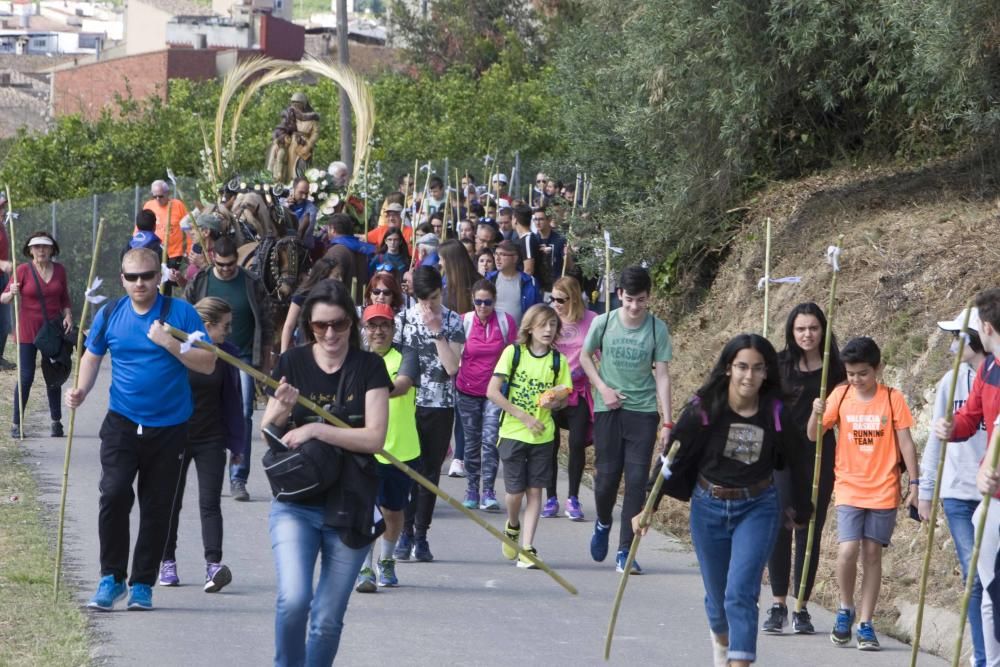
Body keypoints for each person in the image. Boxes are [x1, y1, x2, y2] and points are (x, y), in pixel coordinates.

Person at [638, 333, 812, 667]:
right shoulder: (704, 408)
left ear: (766, 373)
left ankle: (740, 661)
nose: (749, 376)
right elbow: (671, 456)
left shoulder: (775, 412)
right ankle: (722, 645)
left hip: (758, 507)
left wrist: (801, 506)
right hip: (709, 506)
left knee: (740, 594)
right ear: (729, 368)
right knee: (718, 602)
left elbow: (799, 459)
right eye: (742, 367)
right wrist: (649, 504)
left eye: (757, 369)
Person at [68, 248, 215, 611]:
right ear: (122, 279)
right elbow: (92, 354)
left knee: (157, 506)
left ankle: (143, 583)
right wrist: (82, 390)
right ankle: (111, 577)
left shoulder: (180, 312)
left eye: (147, 276)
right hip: (122, 421)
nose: (140, 283)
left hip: (170, 426)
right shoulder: (111, 313)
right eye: (132, 277)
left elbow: (209, 362)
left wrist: (170, 343)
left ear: (159, 277)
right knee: (114, 493)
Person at [262, 279, 389, 665]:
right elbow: (269, 433)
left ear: (352, 324)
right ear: (309, 328)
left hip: (351, 505)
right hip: (297, 502)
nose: (330, 333)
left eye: (339, 324)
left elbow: (374, 438)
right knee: (294, 598)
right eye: (320, 326)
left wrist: (316, 428)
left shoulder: (370, 366)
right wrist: (282, 411)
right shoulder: (292, 362)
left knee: (327, 620)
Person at [807, 336, 919, 651]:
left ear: (878, 368)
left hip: (884, 488)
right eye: (851, 373)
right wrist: (816, 412)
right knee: (846, 552)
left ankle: (865, 623)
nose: (857, 380)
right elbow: (814, 434)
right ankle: (846, 608)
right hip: (849, 486)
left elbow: (906, 443)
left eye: (863, 373)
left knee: (872, 554)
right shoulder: (840, 395)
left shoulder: (892, 398)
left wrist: (915, 483)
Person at [580, 265, 672, 573]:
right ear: (619, 294)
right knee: (606, 478)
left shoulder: (657, 328)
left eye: (641, 300)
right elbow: (585, 356)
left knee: (636, 482)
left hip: (643, 412)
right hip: (609, 409)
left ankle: (625, 551)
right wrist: (603, 388)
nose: (635, 307)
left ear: (648, 298)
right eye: (630, 299)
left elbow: (662, 375)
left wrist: (668, 421)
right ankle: (604, 521)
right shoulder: (604, 323)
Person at [762, 303, 846, 635]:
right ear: (791, 332)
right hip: (782, 454)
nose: (807, 334)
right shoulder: (779, 365)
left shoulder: (835, 369)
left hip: (819, 455)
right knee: (782, 522)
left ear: (822, 330)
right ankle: (778, 602)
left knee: (809, 528)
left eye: (813, 328)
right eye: (801, 329)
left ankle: (801, 606)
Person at [917, 307, 988, 667]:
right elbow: (936, 439)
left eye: (957, 338)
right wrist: (925, 491)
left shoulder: (995, 378)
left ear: (978, 338)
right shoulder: (951, 382)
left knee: (993, 576)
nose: (951, 346)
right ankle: (982, 654)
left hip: (993, 493)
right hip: (958, 494)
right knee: (974, 576)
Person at [159, 297, 244, 593]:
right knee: (171, 501)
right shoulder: (176, 350)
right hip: (176, 436)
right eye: (225, 326)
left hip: (212, 438)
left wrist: (237, 445)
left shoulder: (226, 356)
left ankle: (213, 565)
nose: (228, 332)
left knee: (210, 504)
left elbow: (233, 403)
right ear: (206, 327)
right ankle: (167, 560)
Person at [936, 289, 1000, 666]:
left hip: (992, 488)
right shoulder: (988, 370)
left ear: (987, 328)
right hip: (991, 500)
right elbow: (972, 417)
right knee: (989, 588)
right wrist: (949, 427)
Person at [184, 236, 274, 502]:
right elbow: (184, 313)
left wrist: (266, 366)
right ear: (213, 259)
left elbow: (267, 324)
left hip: (243, 356)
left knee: (243, 410)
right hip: (205, 353)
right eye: (221, 265)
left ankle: (238, 476)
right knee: (200, 408)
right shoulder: (200, 281)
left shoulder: (251, 282)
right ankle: (194, 466)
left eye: (231, 264)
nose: (226, 269)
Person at [487, 304, 571, 567]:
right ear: (530, 327)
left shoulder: (559, 361)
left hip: (543, 436)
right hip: (512, 432)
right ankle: (513, 524)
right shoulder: (513, 353)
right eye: (543, 324)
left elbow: (565, 398)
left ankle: (527, 547)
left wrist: (554, 402)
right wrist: (522, 416)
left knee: (535, 490)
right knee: (515, 492)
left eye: (553, 325)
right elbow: (493, 391)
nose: (548, 330)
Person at [392, 266, 464, 562]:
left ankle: (421, 534)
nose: (428, 305)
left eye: (433, 297)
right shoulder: (402, 320)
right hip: (408, 403)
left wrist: (436, 331)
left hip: (440, 405)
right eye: (423, 299)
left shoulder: (453, 320)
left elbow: (452, 367)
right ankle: (404, 531)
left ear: (441, 291)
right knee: (407, 469)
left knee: (429, 473)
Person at [354, 303, 419, 592]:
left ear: (394, 329)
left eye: (384, 326)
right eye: (372, 326)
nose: (378, 331)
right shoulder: (355, 360)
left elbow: (402, 386)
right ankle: (365, 567)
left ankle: (387, 560)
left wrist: (370, 391)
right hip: (365, 447)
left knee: (393, 511)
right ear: (364, 330)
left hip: (400, 448)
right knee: (366, 509)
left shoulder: (407, 355)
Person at [2, 231, 72, 437]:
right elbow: (3, 298)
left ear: (52, 249)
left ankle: (56, 422)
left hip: (52, 331)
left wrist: (68, 316)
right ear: (30, 250)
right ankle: (16, 424)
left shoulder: (60, 270)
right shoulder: (23, 270)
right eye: (36, 247)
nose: (41, 250)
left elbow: (65, 299)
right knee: (26, 377)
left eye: (45, 246)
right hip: (28, 331)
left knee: (53, 375)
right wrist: (11, 291)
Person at [457, 279, 517, 511]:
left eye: (487, 302)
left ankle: (489, 491)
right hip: (467, 390)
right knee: (472, 442)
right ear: (473, 300)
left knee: (490, 440)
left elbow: (513, 353)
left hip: (495, 392)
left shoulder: (505, 322)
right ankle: (472, 487)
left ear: (495, 300)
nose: (482, 306)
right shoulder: (465, 321)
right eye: (478, 302)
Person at [542, 277, 597, 520]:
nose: (555, 303)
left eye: (560, 300)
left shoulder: (592, 320)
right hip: (552, 392)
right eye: (551, 298)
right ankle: (550, 497)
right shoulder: (549, 320)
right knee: (549, 445)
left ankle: (573, 498)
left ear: (573, 298)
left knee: (576, 445)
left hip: (579, 391)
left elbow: (600, 354)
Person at [280, 257, 342, 354]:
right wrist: (283, 353)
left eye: (340, 276)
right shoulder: (303, 294)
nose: (340, 280)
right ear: (323, 276)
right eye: (336, 276)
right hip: (305, 346)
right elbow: (289, 325)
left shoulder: (338, 296)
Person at [142, 180, 188, 294]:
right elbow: (141, 226)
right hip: (155, 252)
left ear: (168, 194)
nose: (157, 199)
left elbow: (188, 228)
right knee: (154, 283)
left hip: (173, 253)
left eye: (160, 196)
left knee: (167, 283)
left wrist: (189, 248)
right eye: (154, 196)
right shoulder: (149, 205)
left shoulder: (178, 205)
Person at [486, 240, 541, 327]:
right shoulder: (489, 279)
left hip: (519, 336)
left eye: (502, 254)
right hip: (494, 335)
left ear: (515, 258)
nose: (497, 258)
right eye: (496, 254)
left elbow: (537, 312)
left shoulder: (529, 282)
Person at [533, 207, 568, 285]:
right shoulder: (532, 240)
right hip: (537, 284)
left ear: (549, 220)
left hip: (555, 284)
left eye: (541, 219)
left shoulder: (560, 240)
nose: (537, 223)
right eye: (535, 219)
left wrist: (568, 255)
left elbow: (568, 266)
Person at [286, 177, 319, 250]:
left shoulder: (311, 209)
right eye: (301, 192)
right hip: (283, 244)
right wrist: (286, 208)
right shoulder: (283, 203)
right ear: (293, 190)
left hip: (303, 247)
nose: (304, 197)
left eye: (306, 193)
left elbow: (304, 233)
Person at [0, 192, 13, 371]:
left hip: (2, 278)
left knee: (4, 321)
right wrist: (2, 263)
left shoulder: (3, 225)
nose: (3, 209)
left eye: (3, 206)